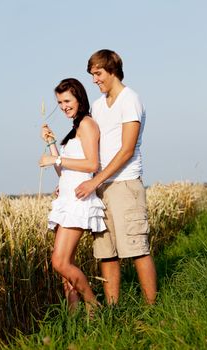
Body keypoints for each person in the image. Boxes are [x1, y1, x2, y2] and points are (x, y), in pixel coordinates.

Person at [75, 49, 157, 305]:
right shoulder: (98, 106)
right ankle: (113, 311)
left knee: (136, 250)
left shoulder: (129, 99)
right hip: (101, 187)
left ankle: (152, 311)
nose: (94, 79)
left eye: (98, 73)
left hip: (125, 185)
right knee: (106, 253)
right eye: (92, 75)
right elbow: (90, 146)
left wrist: (94, 181)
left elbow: (126, 150)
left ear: (113, 70)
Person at [39, 78, 106, 313]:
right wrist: (52, 145)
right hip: (66, 200)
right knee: (64, 268)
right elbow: (64, 170)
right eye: (59, 102)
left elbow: (91, 164)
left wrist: (54, 159)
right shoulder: (75, 128)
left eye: (67, 100)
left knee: (60, 262)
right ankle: (74, 317)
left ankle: (93, 306)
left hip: (78, 201)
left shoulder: (87, 124)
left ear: (79, 97)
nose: (63, 106)